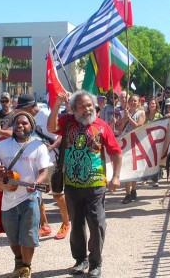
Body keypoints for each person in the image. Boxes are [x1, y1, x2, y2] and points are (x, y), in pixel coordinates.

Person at [47, 90, 122, 278]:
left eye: (89, 105)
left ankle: (96, 263)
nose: (87, 108)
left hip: (95, 184)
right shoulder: (67, 122)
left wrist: (115, 177)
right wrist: (57, 103)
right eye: (82, 106)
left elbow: (116, 152)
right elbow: (50, 127)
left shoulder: (102, 126)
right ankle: (80, 260)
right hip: (72, 185)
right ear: (74, 109)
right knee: (77, 224)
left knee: (96, 224)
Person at [0, 112, 50, 278]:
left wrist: (36, 182)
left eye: (24, 123)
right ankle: (19, 262)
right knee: (13, 237)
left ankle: (26, 268)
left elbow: (44, 171)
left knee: (28, 235)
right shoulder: (3, 146)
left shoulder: (38, 146)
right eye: (17, 123)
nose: (20, 125)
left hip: (30, 198)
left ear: (31, 127)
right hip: (8, 199)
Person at [16, 94, 71, 240]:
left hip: (53, 161)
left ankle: (66, 223)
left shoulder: (45, 114)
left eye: (22, 109)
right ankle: (44, 225)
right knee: (37, 194)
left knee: (58, 195)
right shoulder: (26, 120)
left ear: (29, 107)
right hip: (36, 162)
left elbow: (61, 134)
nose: (20, 112)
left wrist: (52, 146)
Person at [117, 94, 145, 204]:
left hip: (135, 143)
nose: (133, 102)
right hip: (125, 143)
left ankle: (133, 189)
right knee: (125, 168)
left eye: (135, 101)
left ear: (138, 103)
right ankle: (127, 193)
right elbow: (120, 129)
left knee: (133, 169)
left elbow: (139, 126)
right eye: (131, 101)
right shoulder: (124, 113)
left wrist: (129, 118)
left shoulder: (141, 113)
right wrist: (124, 119)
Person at [144, 97, 164, 187]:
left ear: (156, 105)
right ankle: (144, 178)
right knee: (146, 160)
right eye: (150, 103)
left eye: (154, 103)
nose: (152, 105)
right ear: (148, 105)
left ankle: (156, 180)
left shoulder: (159, 116)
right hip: (146, 140)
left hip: (156, 141)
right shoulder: (145, 115)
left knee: (156, 161)